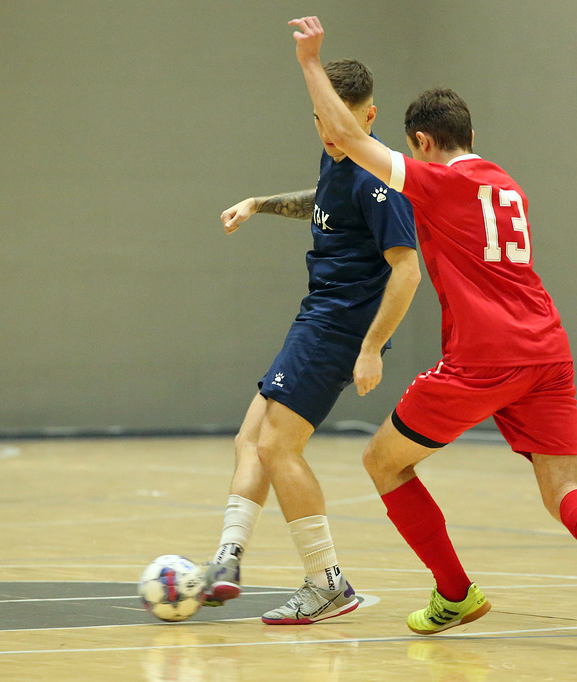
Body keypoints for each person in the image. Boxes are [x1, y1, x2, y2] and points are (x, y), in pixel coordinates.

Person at [288, 16, 577, 635]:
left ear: (422, 141)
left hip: (484, 357)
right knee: (562, 487)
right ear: (471, 134)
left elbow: (345, 135)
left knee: (383, 462)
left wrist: (311, 63)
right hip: (548, 351)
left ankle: (455, 593)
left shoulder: (439, 184)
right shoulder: (506, 184)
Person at [202, 57, 420, 625]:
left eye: (340, 121)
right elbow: (325, 203)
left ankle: (327, 583)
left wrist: (370, 348)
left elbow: (408, 270)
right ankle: (227, 559)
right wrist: (260, 203)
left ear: (369, 117)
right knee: (251, 438)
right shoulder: (337, 155)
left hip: (340, 328)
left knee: (277, 447)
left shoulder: (379, 180)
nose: (328, 132)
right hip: (317, 318)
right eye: (320, 119)